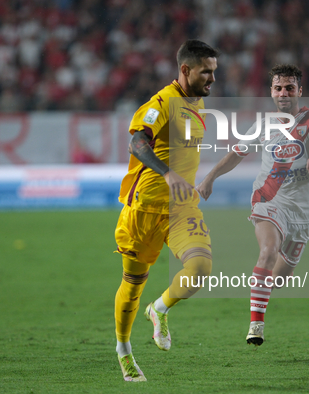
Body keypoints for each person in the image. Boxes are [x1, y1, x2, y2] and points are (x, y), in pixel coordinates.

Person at [196, 64, 309, 346]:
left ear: (299, 91)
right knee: (268, 251)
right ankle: (255, 326)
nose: (284, 93)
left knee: (279, 277)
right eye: (278, 88)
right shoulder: (264, 124)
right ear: (271, 92)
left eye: (289, 88)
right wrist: (210, 177)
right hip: (268, 199)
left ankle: (261, 294)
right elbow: (236, 154)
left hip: (305, 209)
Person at [114, 39, 219, 382]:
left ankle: (159, 309)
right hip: (145, 208)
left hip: (181, 209)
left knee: (201, 267)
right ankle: (124, 350)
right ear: (185, 70)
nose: (212, 79)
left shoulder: (197, 104)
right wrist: (168, 172)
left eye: (214, 72)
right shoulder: (161, 103)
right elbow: (137, 141)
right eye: (207, 72)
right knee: (132, 283)